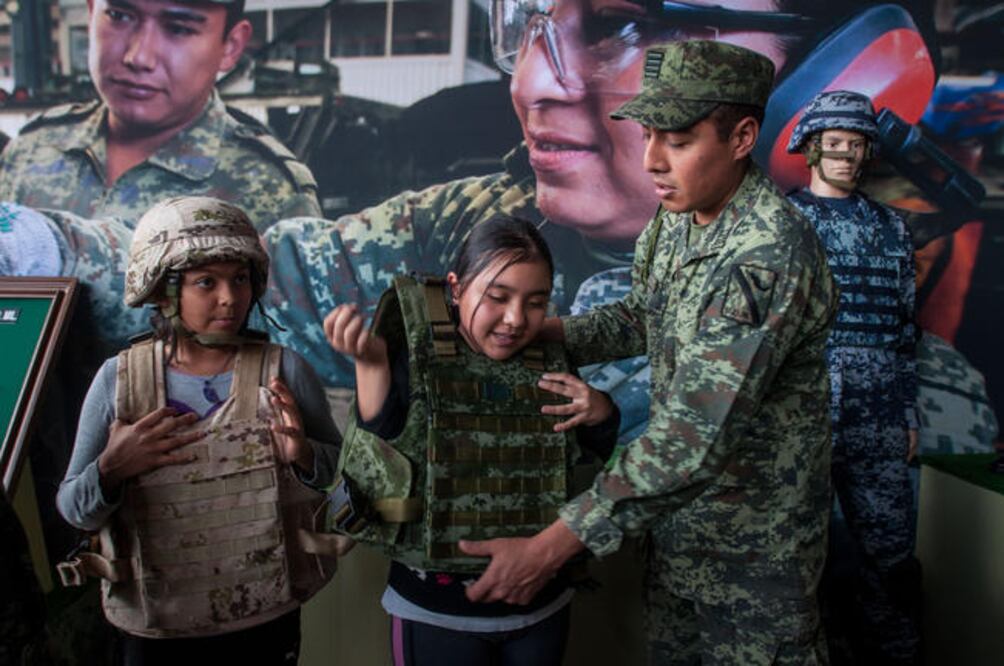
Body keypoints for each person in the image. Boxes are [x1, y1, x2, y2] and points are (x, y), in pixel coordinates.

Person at [453, 40, 838, 664]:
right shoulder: (679, 217)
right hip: (675, 537)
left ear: (742, 138)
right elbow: (645, 315)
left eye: (678, 141)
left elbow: (695, 436)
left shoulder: (767, 254)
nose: (653, 161)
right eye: (650, 134)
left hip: (751, 559)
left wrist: (552, 546)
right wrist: (540, 330)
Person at [55, 196, 342, 665]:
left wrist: (303, 455)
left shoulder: (284, 369)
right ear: (163, 291)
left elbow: (342, 478)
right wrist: (111, 468)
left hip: (264, 624)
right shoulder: (119, 380)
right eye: (206, 282)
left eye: (240, 278)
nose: (230, 298)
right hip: (156, 632)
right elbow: (74, 510)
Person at [324, 215, 620, 666]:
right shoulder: (411, 357)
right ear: (457, 288)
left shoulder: (551, 359)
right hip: (436, 613)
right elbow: (379, 439)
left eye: (536, 301)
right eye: (498, 297)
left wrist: (602, 411)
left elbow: (586, 458)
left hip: (541, 605)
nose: (516, 319)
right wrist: (370, 364)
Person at [786, 90, 921, 665]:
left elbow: (905, 327)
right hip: (801, 419)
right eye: (834, 143)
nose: (845, 155)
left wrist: (909, 413)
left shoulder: (891, 227)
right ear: (812, 147)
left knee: (890, 562)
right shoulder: (781, 221)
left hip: (880, 422)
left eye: (856, 144)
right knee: (794, 563)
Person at [0, 0, 320, 232]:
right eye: (119, 15)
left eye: (179, 28)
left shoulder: (270, 192)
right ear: (90, 12)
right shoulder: (30, 153)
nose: (138, 57)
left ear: (231, 46)